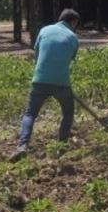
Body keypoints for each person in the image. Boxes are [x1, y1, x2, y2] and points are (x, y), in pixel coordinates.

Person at [12, 9, 80, 161]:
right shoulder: (73, 38)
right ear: (73, 22)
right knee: (68, 113)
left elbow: (37, 57)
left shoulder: (44, 30)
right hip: (62, 83)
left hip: (40, 80)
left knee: (30, 114)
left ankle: (22, 146)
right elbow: (67, 61)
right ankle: (61, 148)